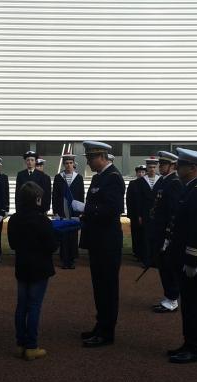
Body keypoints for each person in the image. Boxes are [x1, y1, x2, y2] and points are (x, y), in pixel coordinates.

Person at [163, 148, 197, 364]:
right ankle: (188, 343)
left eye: (180, 166)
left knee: (193, 305)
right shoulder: (190, 188)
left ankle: (194, 349)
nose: (177, 169)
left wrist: (192, 260)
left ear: (192, 168)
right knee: (188, 304)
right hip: (184, 257)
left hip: (194, 259)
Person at [75, 141, 125, 348]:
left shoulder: (113, 178)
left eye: (90, 158)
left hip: (107, 241)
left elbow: (112, 210)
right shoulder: (99, 178)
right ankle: (100, 324)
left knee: (107, 288)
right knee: (99, 287)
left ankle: (107, 332)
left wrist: (86, 208)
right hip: (98, 240)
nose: (88, 162)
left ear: (102, 157)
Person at [7, 181, 58, 361]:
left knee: (22, 306)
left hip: (22, 265)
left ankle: (21, 342)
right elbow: (52, 246)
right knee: (34, 306)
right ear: (37, 199)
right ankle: (32, 345)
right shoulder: (42, 220)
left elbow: (13, 244)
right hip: (40, 267)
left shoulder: (14, 219)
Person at [149, 151, 183, 313]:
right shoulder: (164, 181)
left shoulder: (174, 183)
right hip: (159, 230)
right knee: (163, 266)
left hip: (166, 233)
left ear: (172, 166)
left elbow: (174, 211)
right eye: (160, 164)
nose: (160, 167)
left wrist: (169, 235)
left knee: (168, 267)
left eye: (163, 164)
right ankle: (169, 296)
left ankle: (172, 299)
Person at [52, 154, 84, 269]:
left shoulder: (79, 177)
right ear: (64, 165)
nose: (69, 165)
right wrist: (56, 211)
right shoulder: (58, 177)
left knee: (73, 234)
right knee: (64, 234)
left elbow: (81, 195)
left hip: (75, 211)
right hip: (62, 211)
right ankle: (64, 259)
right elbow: (55, 196)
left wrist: (81, 211)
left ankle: (72, 258)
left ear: (74, 164)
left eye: (71, 163)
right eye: (66, 163)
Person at [136, 156, 159, 268]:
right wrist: (139, 215)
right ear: (147, 167)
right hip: (145, 213)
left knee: (156, 237)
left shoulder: (161, 180)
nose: (152, 169)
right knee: (145, 237)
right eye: (150, 167)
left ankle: (155, 260)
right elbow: (138, 200)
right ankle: (146, 260)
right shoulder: (141, 181)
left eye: (154, 167)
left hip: (158, 214)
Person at [126, 164, 145, 261]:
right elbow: (129, 199)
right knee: (135, 233)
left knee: (143, 234)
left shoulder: (147, 184)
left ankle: (143, 252)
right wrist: (130, 214)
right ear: (136, 173)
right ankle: (136, 251)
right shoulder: (133, 183)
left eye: (143, 172)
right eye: (139, 172)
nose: (141, 174)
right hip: (134, 214)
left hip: (144, 214)